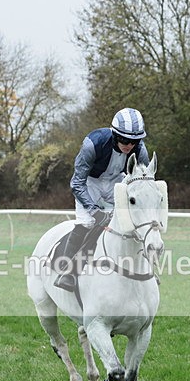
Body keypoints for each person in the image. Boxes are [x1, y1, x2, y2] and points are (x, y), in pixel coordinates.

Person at [55, 107, 151, 291]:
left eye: (134, 141)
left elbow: (142, 185)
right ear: (115, 135)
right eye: (124, 139)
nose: (128, 145)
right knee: (87, 223)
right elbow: (76, 183)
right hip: (90, 183)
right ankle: (67, 271)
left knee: (132, 223)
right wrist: (93, 210)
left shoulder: (140, 151)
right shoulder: (93, 143)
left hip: (117, 182)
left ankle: (144, 268)